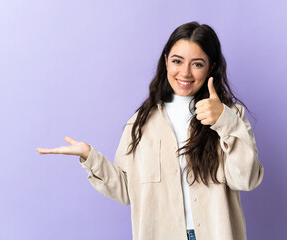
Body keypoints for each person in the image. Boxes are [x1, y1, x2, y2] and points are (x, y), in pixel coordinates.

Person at [37, 21, 264, 240]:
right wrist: (89, 156)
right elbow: (127, 191)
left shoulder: (231, 115)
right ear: (166, 61)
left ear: (210, 68)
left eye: (197, 64)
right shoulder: (140, 123)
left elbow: (246, 180)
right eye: (177, 61)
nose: (185, 72)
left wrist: (225, 120)